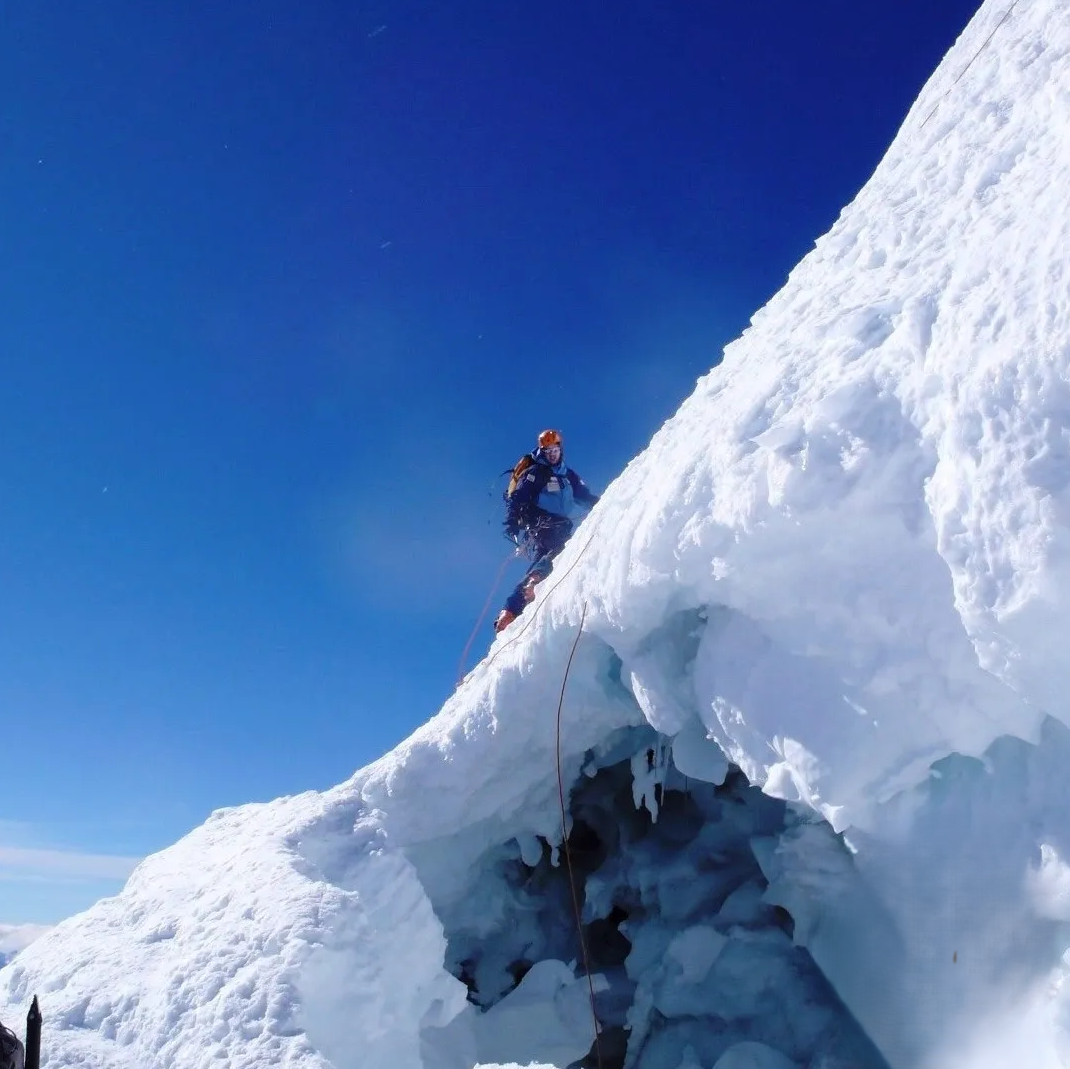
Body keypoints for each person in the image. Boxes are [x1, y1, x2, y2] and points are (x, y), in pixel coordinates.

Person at [494, 429, 600, 633]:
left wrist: (603, 503)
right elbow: (519, 497)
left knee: (548, 554)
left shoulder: (567, 474)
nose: (552, 454)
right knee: (560, 548)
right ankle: (536, 578)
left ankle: (510, 609)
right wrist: (512, 522)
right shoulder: (536, 472)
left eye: (555, 450)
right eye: (548, 451)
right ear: (542, 451)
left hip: (560, 522)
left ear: (560, 449)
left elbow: (583, 495)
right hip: (541, 521)